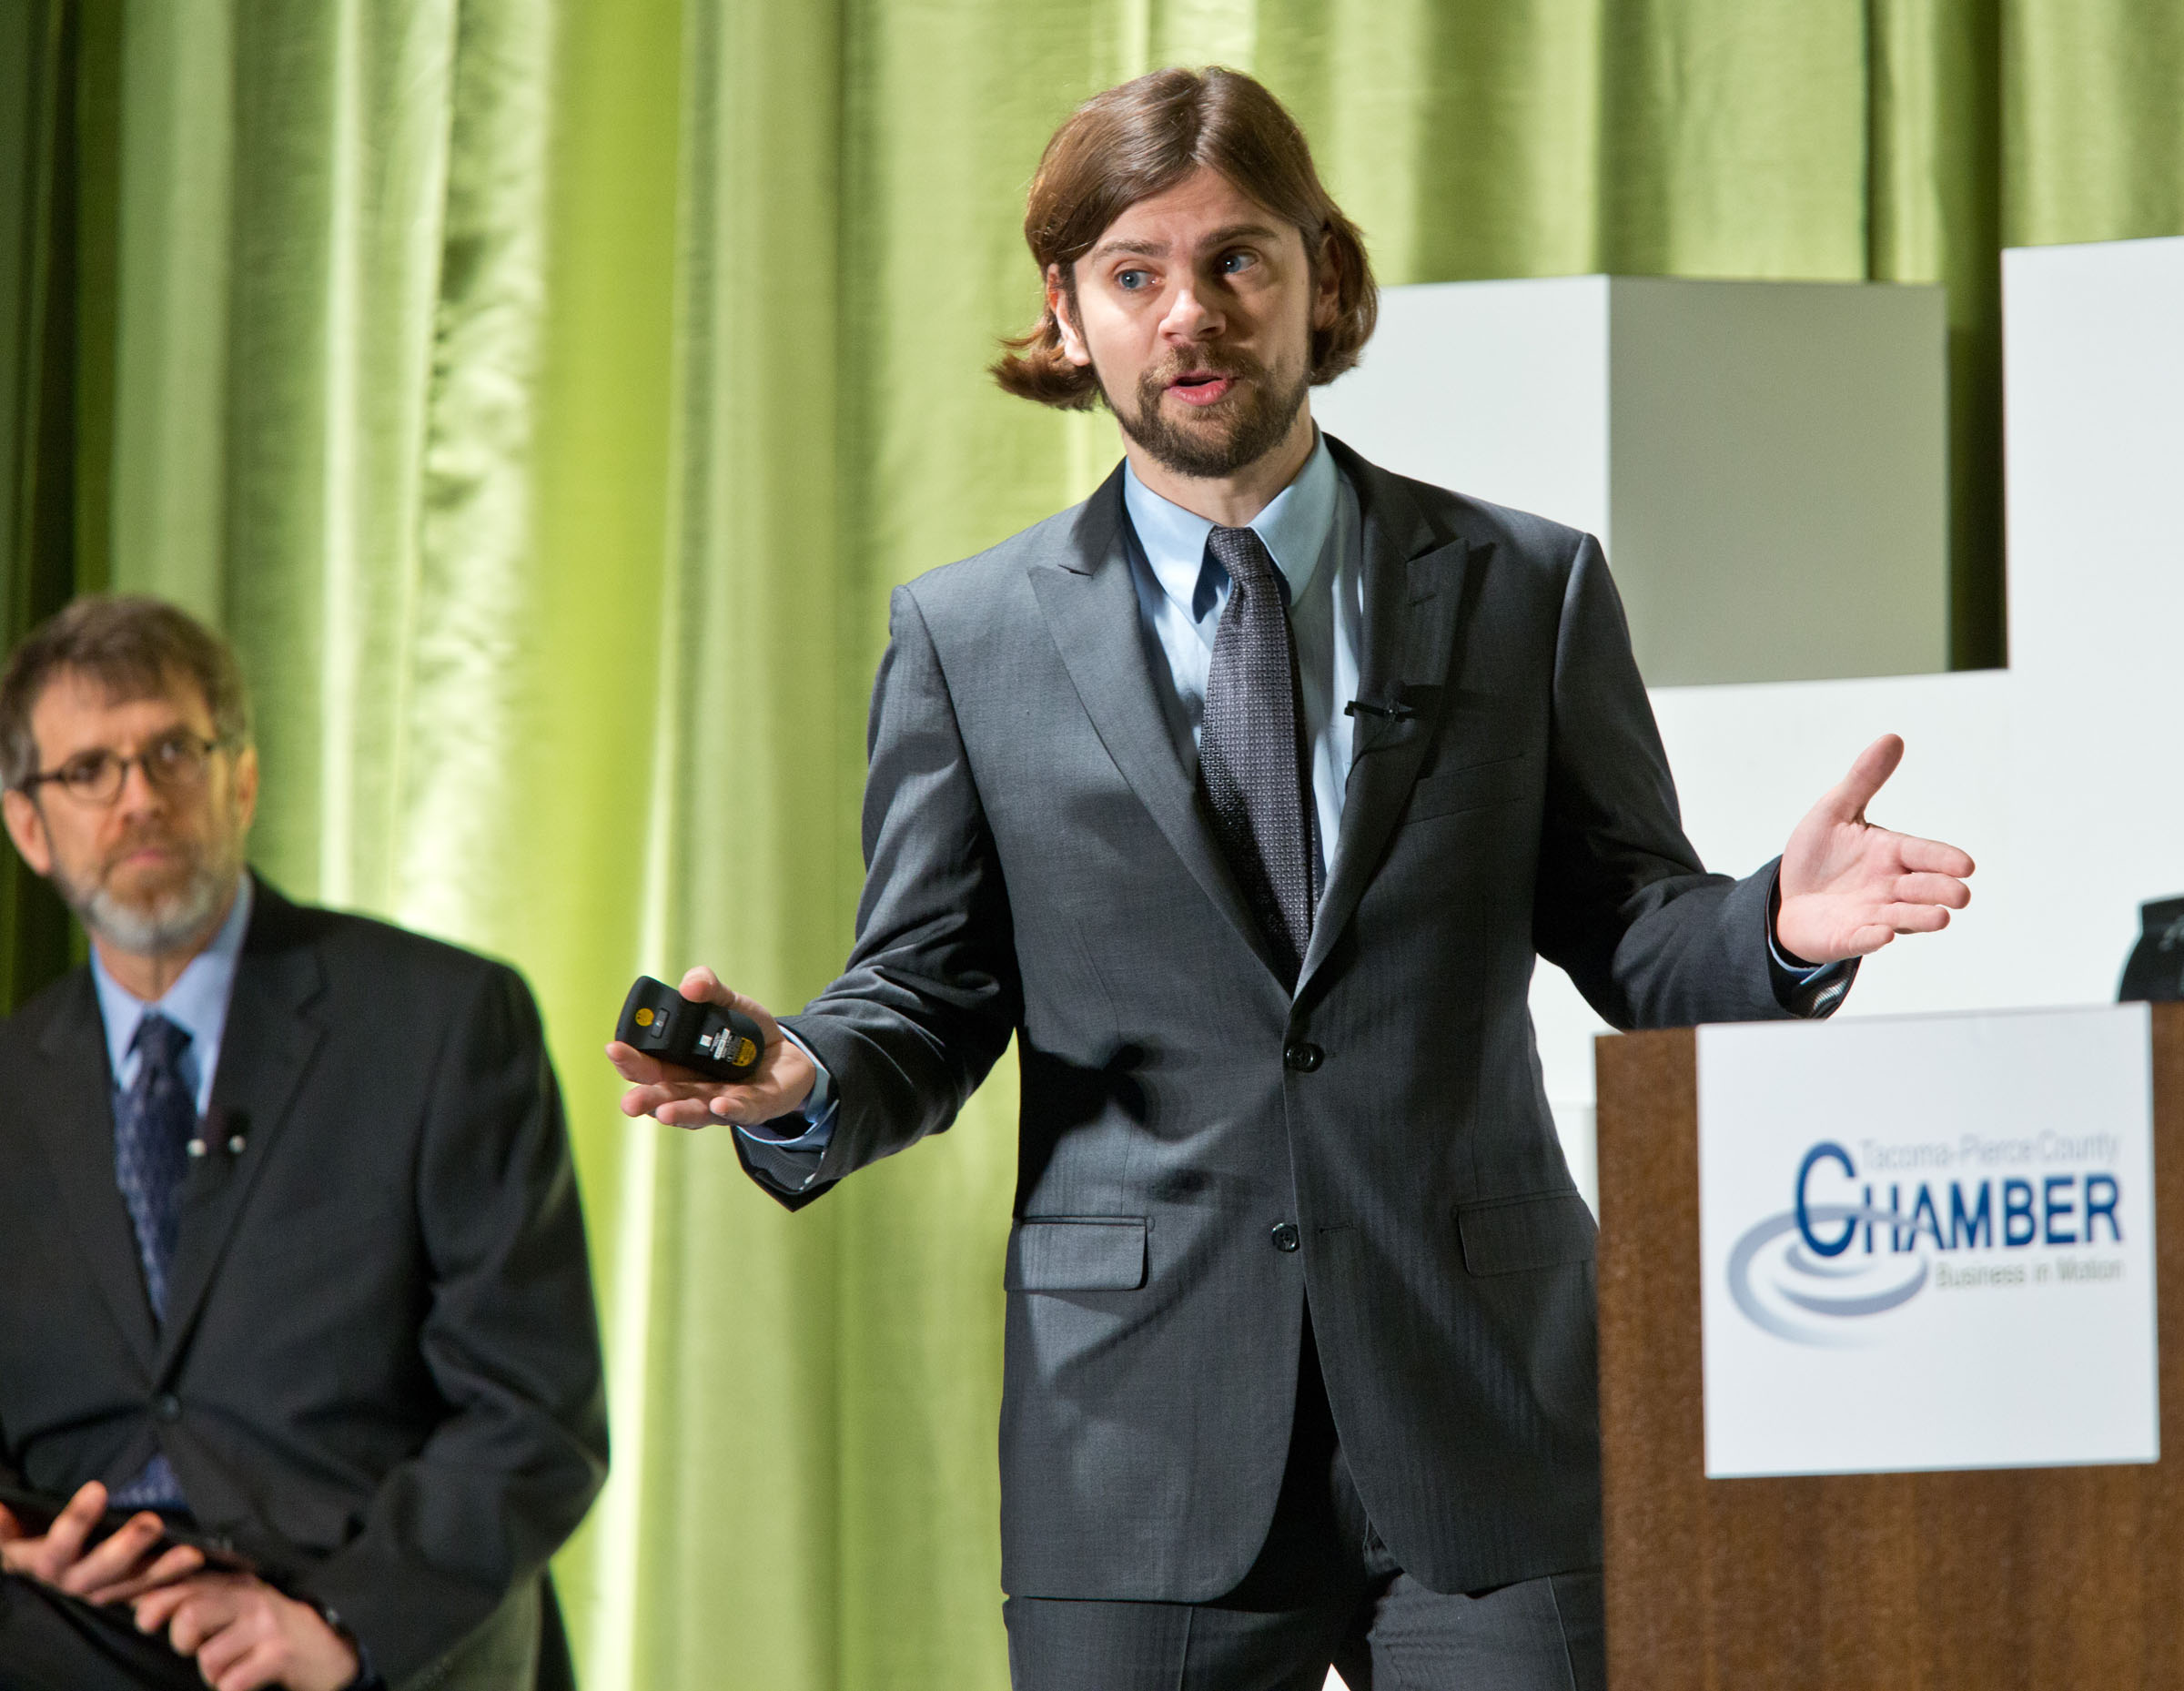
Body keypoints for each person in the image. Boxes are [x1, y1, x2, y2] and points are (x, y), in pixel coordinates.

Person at [609, 66, 1975, 1690]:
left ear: (1321, 271)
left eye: (1237, 260)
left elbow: (1629, 925)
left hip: (1491, 1408)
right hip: (1136, 1435)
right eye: (1135, 274)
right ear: (1068, 310)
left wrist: (1777, 926)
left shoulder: (1522, 587)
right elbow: (930, 985)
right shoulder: (969, 642)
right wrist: (799, 1072)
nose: (1191, 314)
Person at [0, 597, 607, 1691]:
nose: (137, 796)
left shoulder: (445, 1022)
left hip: (346, 1617)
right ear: (28, 824)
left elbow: (535, 1411)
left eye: (171, 751)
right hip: (64, 1620)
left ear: (241, 779)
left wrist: (339, 1624)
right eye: (88, 769)